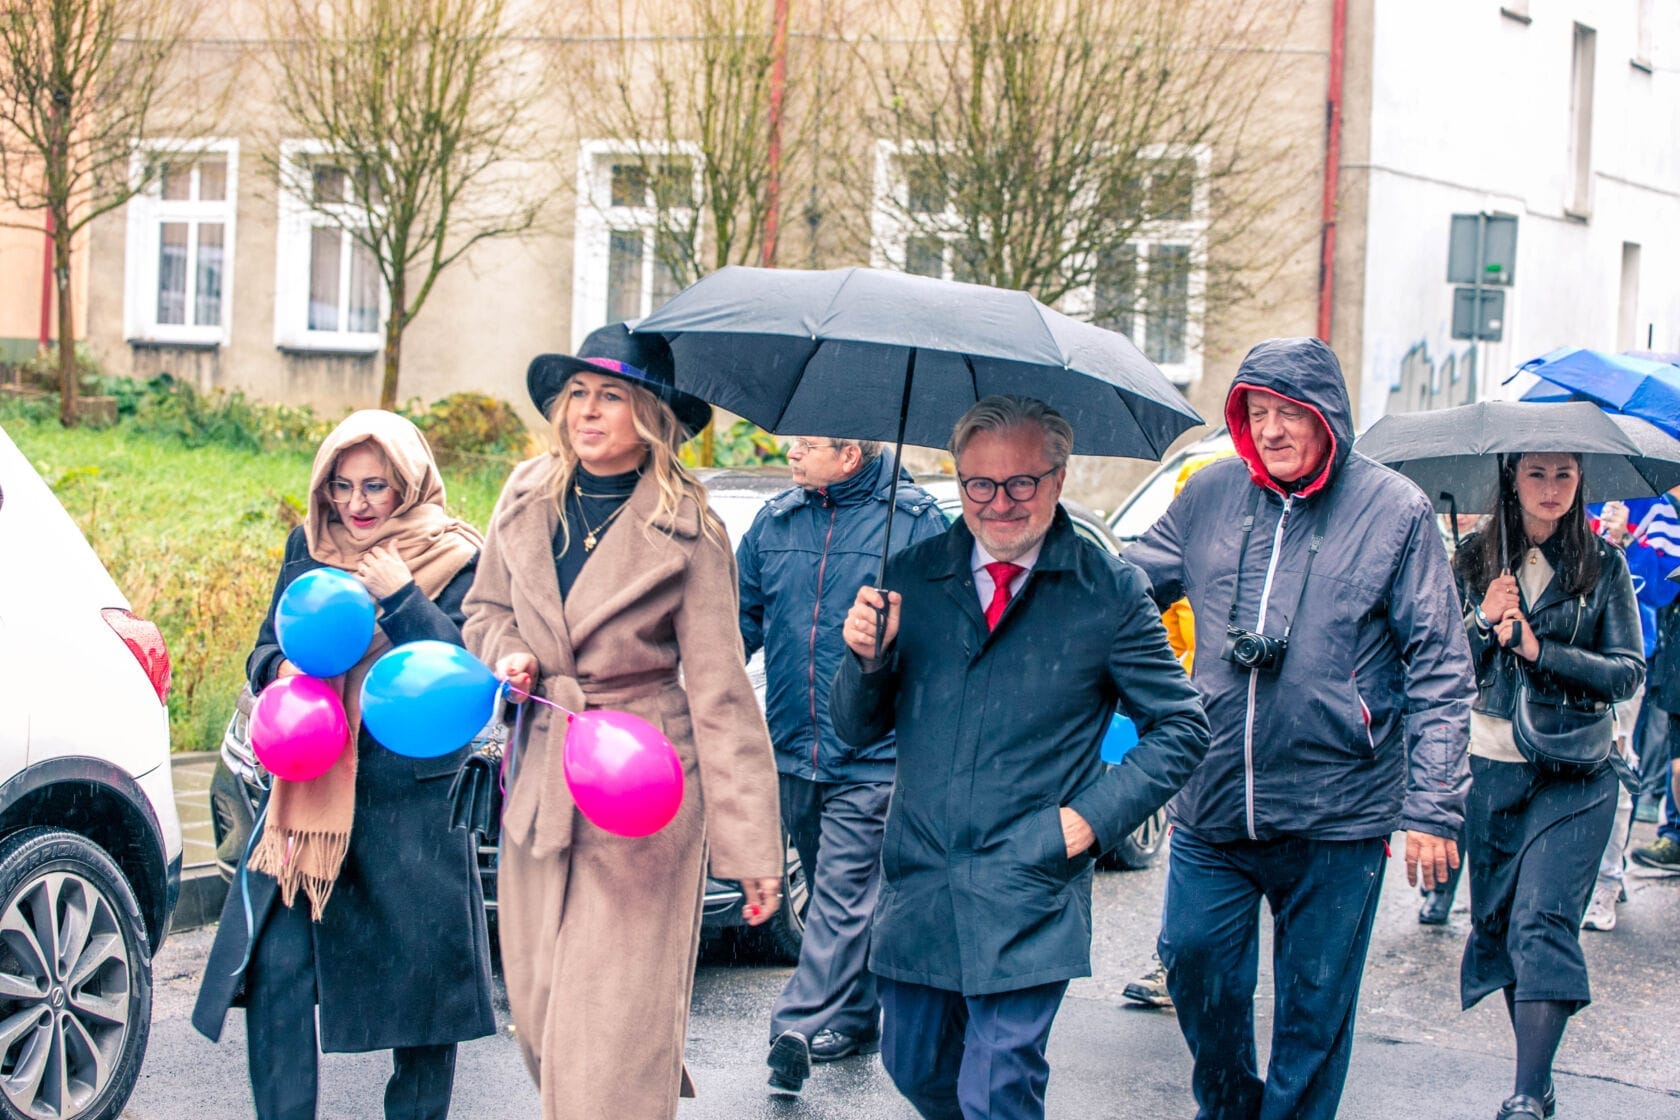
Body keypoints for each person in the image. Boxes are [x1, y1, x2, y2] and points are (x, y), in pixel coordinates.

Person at [833, 395, 1211, 1120]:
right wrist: (865, 662)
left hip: (1030, 878)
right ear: (959, 478)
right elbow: (853, 729)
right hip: (922, 878)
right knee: (913, 1063)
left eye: (1021, 483)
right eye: (980, 483)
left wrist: (1088, 821)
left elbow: (1182, 727)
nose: (999, 503)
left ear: (1059, 478)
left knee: (999, 1085)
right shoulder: (909, 577)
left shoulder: (1109, 591)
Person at [1125, 337, 1475, 1120]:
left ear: (1328, 417)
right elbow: (1125, 592)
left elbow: (1440, 665)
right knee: (1193, 964)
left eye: (1290, 412)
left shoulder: (1394, 510)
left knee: (1314, 1012)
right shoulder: (1210, 494)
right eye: (1257, 412)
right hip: (1215, 797)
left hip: (1339, 811)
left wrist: (1432, 806)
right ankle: (1230, 1107)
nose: (1273, 429)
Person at [461, 324, 783, 1120]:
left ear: (650, 414)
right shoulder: (526, 496)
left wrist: (751, 850)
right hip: (543, 781)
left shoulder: (691, 529)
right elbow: (484, 610)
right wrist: (508, 652)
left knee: (608, 1031)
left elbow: (721, 693)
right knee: (541, 1014)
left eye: (610, 396)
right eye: (578, 393)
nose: (587, 411)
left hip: (644, 792)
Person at [192, 410, 495, 1120]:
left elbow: (467, 667)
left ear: (408, 485)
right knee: (277, 969)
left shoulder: (457, 554)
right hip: (311, 796)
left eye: (375, 486)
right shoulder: (310, 545)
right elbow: (267, 644)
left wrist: (401, 595)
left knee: (425, 994)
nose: (354, 504)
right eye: (341, 485)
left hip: (412, 804)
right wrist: (280, 674)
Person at [737, 435, 946, 1095]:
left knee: (841, 893)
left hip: (874, 751)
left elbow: (945, 641)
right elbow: (736, 622)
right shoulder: (775, 523)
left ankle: (794, 1026)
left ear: (850, 454)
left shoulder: (914, 524)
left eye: (806, 445)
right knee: (839, 894)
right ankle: (855, 1017)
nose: (791, 453)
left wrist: (892, 645)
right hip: (793, 745)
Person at [1453, 452, 1643, 1120]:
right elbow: (1440, 663)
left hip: (1576, 769)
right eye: (1537, 473)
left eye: (1565, 474)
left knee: (1542, 918)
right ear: (1512, 478)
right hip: (1491, 766)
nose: (1552, 488)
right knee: (1504, 926)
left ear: (1580, 480)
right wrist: (1482, 621)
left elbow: (1626, 671)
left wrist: (1541, 651)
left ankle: (1527, 1094)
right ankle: (1537, 1076)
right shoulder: (1473, 559)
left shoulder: (1604, 564)